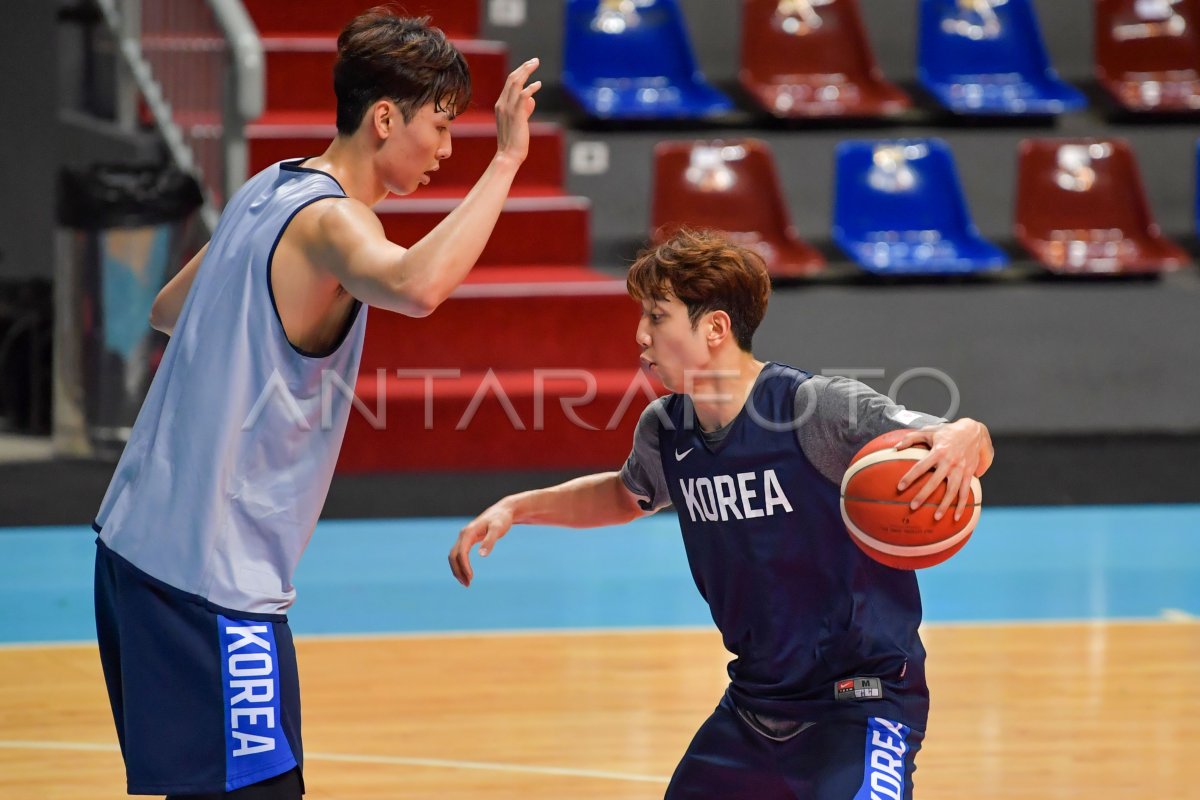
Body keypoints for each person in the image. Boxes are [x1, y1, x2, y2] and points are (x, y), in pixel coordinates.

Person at [92, 9, 541, 799]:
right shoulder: (333, 221)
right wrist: (506, 161)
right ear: (384, 118)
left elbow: (168, 307)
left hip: (131, 549)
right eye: (439, 126)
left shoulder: (267, 187)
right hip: (211, 579)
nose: (444, 149)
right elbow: (417, 285)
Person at [449, 228, 994, 799]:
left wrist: (966, 433)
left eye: (657, 316)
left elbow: (956, 438)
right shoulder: (665, 429)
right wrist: (517, 507)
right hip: (755, 705)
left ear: (714, 328)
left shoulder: (814, 409)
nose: (640, 335)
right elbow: (621, 495)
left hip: (862, 700)